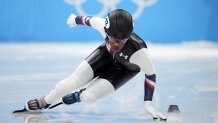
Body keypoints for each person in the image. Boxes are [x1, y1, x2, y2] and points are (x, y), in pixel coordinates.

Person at [24, 9, 167, 121]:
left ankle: (77, 96)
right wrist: (75, 20)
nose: (117, 44)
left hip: (124, 71)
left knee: (88, 97)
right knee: (66, 85)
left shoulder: (140, 52)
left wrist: (148, 103)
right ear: (106, 31)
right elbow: (88, 20)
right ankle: (44, 101)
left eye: (122, 40)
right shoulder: (102, 25)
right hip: (105, 56)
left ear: (129, 36)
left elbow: (150, 74)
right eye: (112, 38)